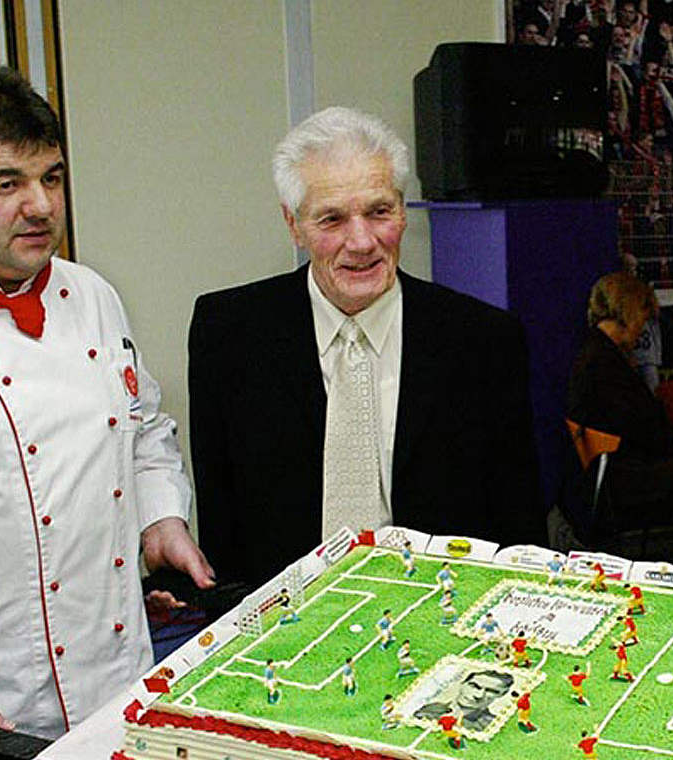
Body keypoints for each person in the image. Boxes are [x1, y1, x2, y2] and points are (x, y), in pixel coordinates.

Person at [188, 106, 541, 589]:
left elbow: (519, 531)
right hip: (287, 621)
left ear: (402, 210)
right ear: (293, 224)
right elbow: (223, 524)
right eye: (332, 219)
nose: (361, 242)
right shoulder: (228, 334)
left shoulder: (484, 341)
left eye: (379, 212)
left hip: (443, 614)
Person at [0, 66, 213, 740]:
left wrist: (160, 518)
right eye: (6, 185)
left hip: (118, 669)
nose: (41, 206)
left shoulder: (92, 296)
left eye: (50, 178)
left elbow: (143, 430)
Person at [563, 272, 673, 548]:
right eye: (643, 317)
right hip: (624, 482)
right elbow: (646, 429)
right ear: (630, 311)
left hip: (607, 476)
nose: (644, 327)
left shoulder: (593, 352)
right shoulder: (606, 365)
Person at [414, 669, 514, 732]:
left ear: (502, 695)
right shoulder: (429, 709)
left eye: (491, 691)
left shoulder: (492, 726)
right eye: (474, 686)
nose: (478, 695)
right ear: (463, 683)